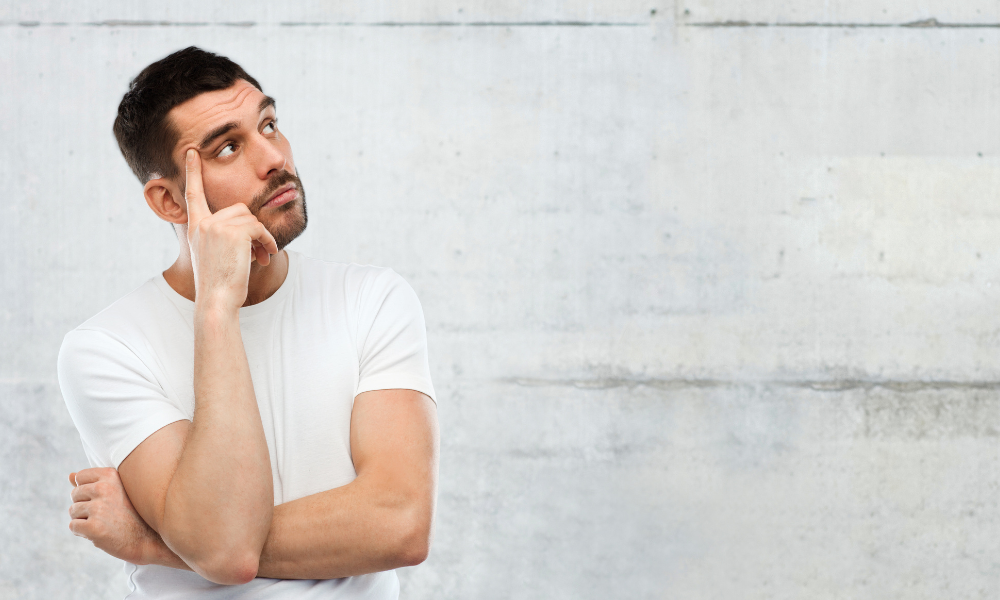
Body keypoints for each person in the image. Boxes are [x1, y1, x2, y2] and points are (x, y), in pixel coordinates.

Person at [57, 46, 439, 599]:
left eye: (269, 124)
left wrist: (158, 542)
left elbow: (400, 525)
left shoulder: (373, 299)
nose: (274, 158)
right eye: (229, 147)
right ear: (168, 201)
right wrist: (216, 306)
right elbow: (225, 550)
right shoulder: (106, 348)